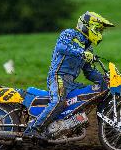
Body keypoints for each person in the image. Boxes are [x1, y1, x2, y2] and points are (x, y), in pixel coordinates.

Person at [24, 11, 115, 139]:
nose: (100, 33)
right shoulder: (69, 34)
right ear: (87, 26)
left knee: (95, 94)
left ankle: (109, 132)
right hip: (57, 77)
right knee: (58, 101)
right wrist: (81, 53)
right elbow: (62, 47)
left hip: (71, 83)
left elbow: (89, 72)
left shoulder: (88, 49)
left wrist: (104, 79)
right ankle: (33, 129)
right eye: (98, 29)